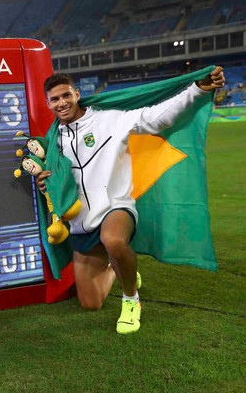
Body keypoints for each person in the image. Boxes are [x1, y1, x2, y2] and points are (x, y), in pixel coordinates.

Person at [37, 67, 225, 334]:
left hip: (116, 205)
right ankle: (121, 266)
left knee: (113, 239)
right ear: (48, 104)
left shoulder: (109, 120)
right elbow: (53, 179)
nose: (61, 103)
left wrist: (198, 89)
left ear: (77, 94)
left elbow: (156, 118)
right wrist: (45, 182)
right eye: (54, 99)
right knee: (90, 302)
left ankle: (131, 300)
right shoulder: (53, 140)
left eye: (66, 95)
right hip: (81, 222)